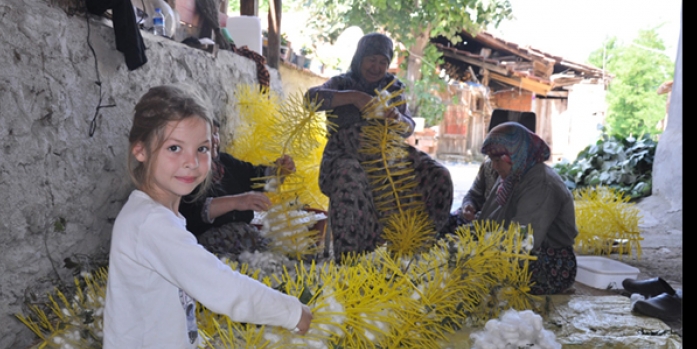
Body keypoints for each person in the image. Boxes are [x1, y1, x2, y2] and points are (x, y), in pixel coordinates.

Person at [49, 84, 313, 349]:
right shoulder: (154, 225)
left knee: (186, 341)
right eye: (175, 148)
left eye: (202, 149)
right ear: (141, 150)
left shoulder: (151, 213)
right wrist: (293, 312)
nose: (191, 162)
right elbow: (224, 289)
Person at [305, 32, 454, 258]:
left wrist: (397, 119)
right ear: (359, 58)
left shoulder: (394, 87)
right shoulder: (343, 82)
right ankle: (352, 260)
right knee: (350, 178)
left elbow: (409, 126)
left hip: (389, 155)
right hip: (346, 156)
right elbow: (310, 100)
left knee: (438, 174)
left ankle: (416, 248)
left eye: (383, 62)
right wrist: (353, 97)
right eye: (371, 59)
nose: (376, 67)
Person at [476, 122, 578, 295]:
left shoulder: (541, 183)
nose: (494, 166)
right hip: (511, 249)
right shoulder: (511, 177)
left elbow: (522, 242)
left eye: (497, 160)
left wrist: (478, 257)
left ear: (516, 155)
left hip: (549, 262)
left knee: (481, 276)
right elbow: (486, 221)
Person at [178, 120, 295, 256]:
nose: (214, 140)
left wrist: (278, 170)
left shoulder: (224, 162)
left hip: (244, 239)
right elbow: (192, 214)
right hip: (210, 248)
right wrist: (237, 202)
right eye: (207, 135)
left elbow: (254, 177)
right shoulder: (186, 171)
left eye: (215, 133)